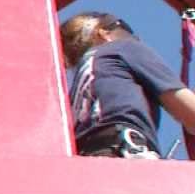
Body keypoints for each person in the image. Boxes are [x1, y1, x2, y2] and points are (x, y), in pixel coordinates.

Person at [60, 12, 195, 158]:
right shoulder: (123, 48)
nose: (136, 38)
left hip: (83, 163)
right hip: (123, 152)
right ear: (104, 34)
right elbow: (189, 111)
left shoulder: (76, 88)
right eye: (126, 31)